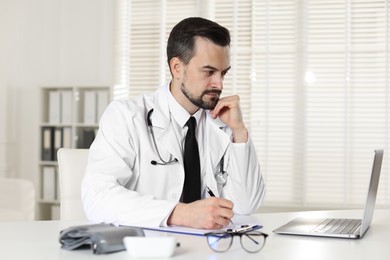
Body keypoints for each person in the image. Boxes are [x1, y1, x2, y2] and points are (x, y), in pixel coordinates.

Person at [81, 17, 265, 229]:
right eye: (209, 72)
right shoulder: (126, 116)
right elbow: (96, 197)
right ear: (177, 67)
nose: (219, 84)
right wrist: (180, 214)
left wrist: (239, 133)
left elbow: (246, 204)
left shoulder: (222, 125)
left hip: (208, 248)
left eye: (223, 73)